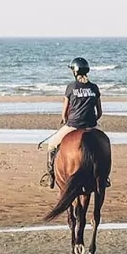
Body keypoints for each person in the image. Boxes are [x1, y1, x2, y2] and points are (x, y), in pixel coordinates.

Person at [41, 57, 103, 189]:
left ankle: (51, 176)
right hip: (91, 125)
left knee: (51, 146)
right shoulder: (94, 87)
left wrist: (65, 120)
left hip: (73, 125)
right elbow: (100, 112)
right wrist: (92, 121)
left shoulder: (70, 87)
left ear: (75, 71)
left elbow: (64, 113)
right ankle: (104, 177)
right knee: (103, 147)